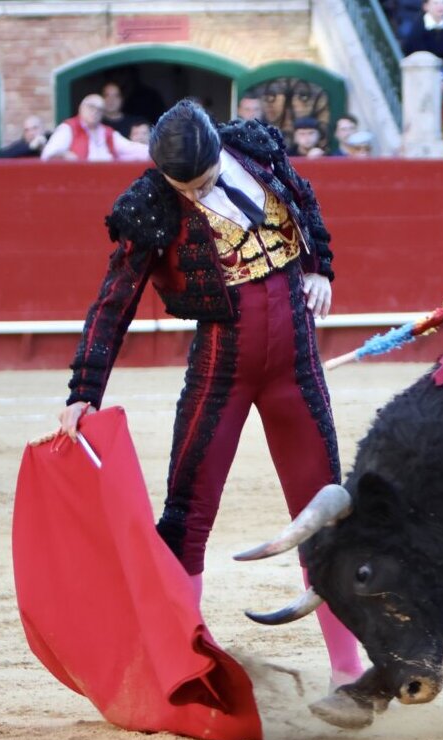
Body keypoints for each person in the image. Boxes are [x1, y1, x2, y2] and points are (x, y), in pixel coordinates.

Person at [55, 99, 363, 707]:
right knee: (187, 515)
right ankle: (178, 671)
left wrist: (321, 266)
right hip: (222, 368)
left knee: (323, 510)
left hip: (296, 363)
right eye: (189, 185)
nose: (201, 189)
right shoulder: (151, 203)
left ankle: (349, 673)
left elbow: (304, 197)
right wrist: (84, 390)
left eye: (206, 178)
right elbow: (115, 299)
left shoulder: (252, 146)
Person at [40, 94, 149, 162]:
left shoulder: (107, 133)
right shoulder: (69, 128)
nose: (95, 112)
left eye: (99, 109)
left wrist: (159, 150)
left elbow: (131, 148)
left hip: (107, 180)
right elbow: (48, 155)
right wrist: (64, 155)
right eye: (91, 107)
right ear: (81, 108)